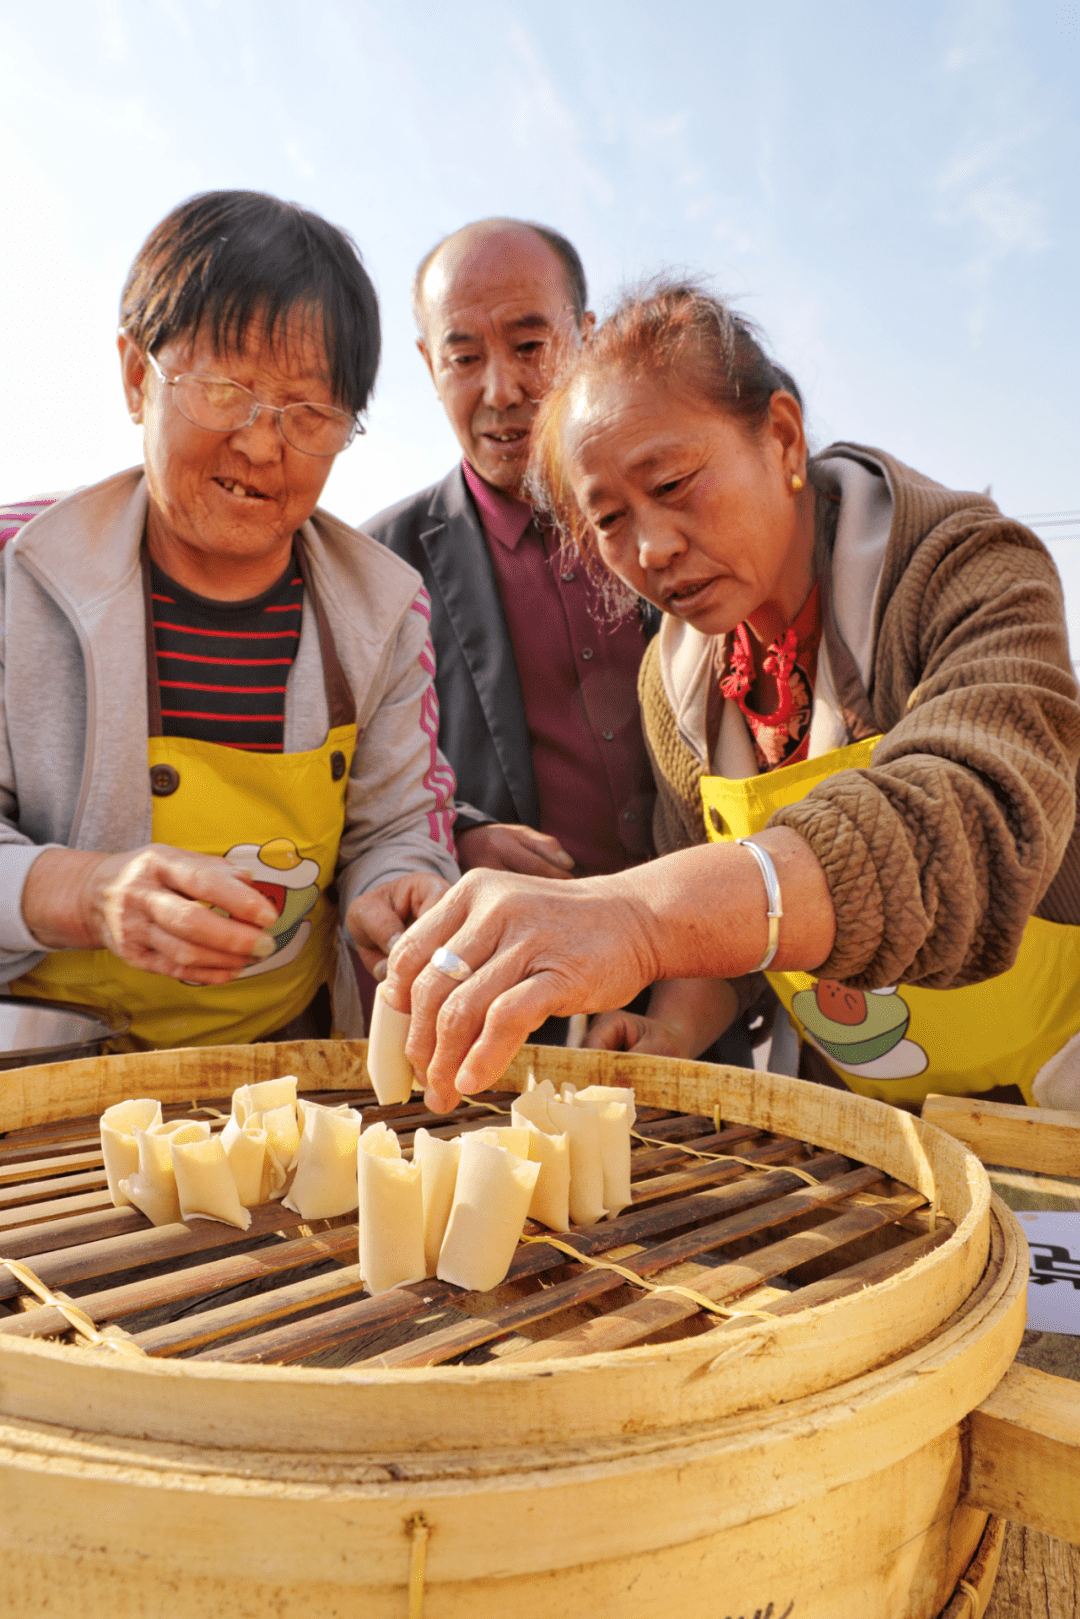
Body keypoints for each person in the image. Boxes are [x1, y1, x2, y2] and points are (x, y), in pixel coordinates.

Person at [350, 281, 1080, 1116]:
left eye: (673, 484)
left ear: (782, 437)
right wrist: (671, 1029)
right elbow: (727, 940)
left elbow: (970, 820)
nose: (653, 548)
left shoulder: (969, 571)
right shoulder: (677, 682)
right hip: (880, 1114)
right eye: (610, 520)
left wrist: (631, 916)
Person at [0, 189, 457, 1050]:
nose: (259, 443)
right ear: (138, 377)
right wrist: (90, 892)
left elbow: (398, 829)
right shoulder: (14, 570)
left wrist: (395, 887)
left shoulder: (384, 610)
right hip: (40, 1053)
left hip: (278, 1063)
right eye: (222, 389)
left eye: (308, 414)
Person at [363, 219, 733, 1054]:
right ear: (428, 366)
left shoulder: (684, 523)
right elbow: (347, 788)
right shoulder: (378, 569)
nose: (501, 389)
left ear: (586, 337)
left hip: (700, 986)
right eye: (463, 357)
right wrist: (453, 832)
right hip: (496, 1015)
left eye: (531, 345)